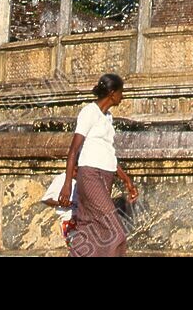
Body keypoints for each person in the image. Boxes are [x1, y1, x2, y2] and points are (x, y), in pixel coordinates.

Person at [59, 73, 139, 257]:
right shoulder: (89, 112)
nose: (122, 96)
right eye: (120, 92)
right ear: (112, 93)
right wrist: (66, 185)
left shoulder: (107, 117)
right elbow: (73, 150)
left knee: (89, 226)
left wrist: (126, 180)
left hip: (106, 175)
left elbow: (108, 152)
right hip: (90, 175)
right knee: (115, 230)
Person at [41, 171, 77, 246]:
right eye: (76, 171)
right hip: (67, 219)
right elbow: (46, 199)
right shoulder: (60, 179)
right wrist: (61, 203)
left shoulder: (82, 179)